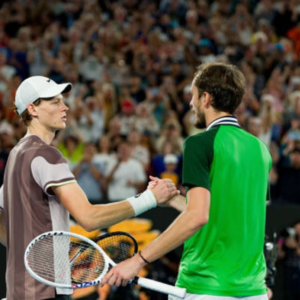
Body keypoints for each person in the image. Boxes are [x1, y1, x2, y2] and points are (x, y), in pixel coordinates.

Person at [101, 62, 272, 300]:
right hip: (253, 291)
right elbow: (222, 215)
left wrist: (137, 261)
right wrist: (172, 198)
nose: (190, 104)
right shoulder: (260, 149)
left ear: (206, 98)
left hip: (205, 287)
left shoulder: (198, 144)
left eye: (192, 96)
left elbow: (197, 216)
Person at [0, 76, 178, 300]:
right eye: (54, 102)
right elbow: (89, 218)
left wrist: (30, 252)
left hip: (17, 289)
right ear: (32, 109)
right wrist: (150, 198)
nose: (65, 107)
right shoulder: (46, 155)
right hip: (47, 291)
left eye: (62, 100)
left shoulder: (16, 156)